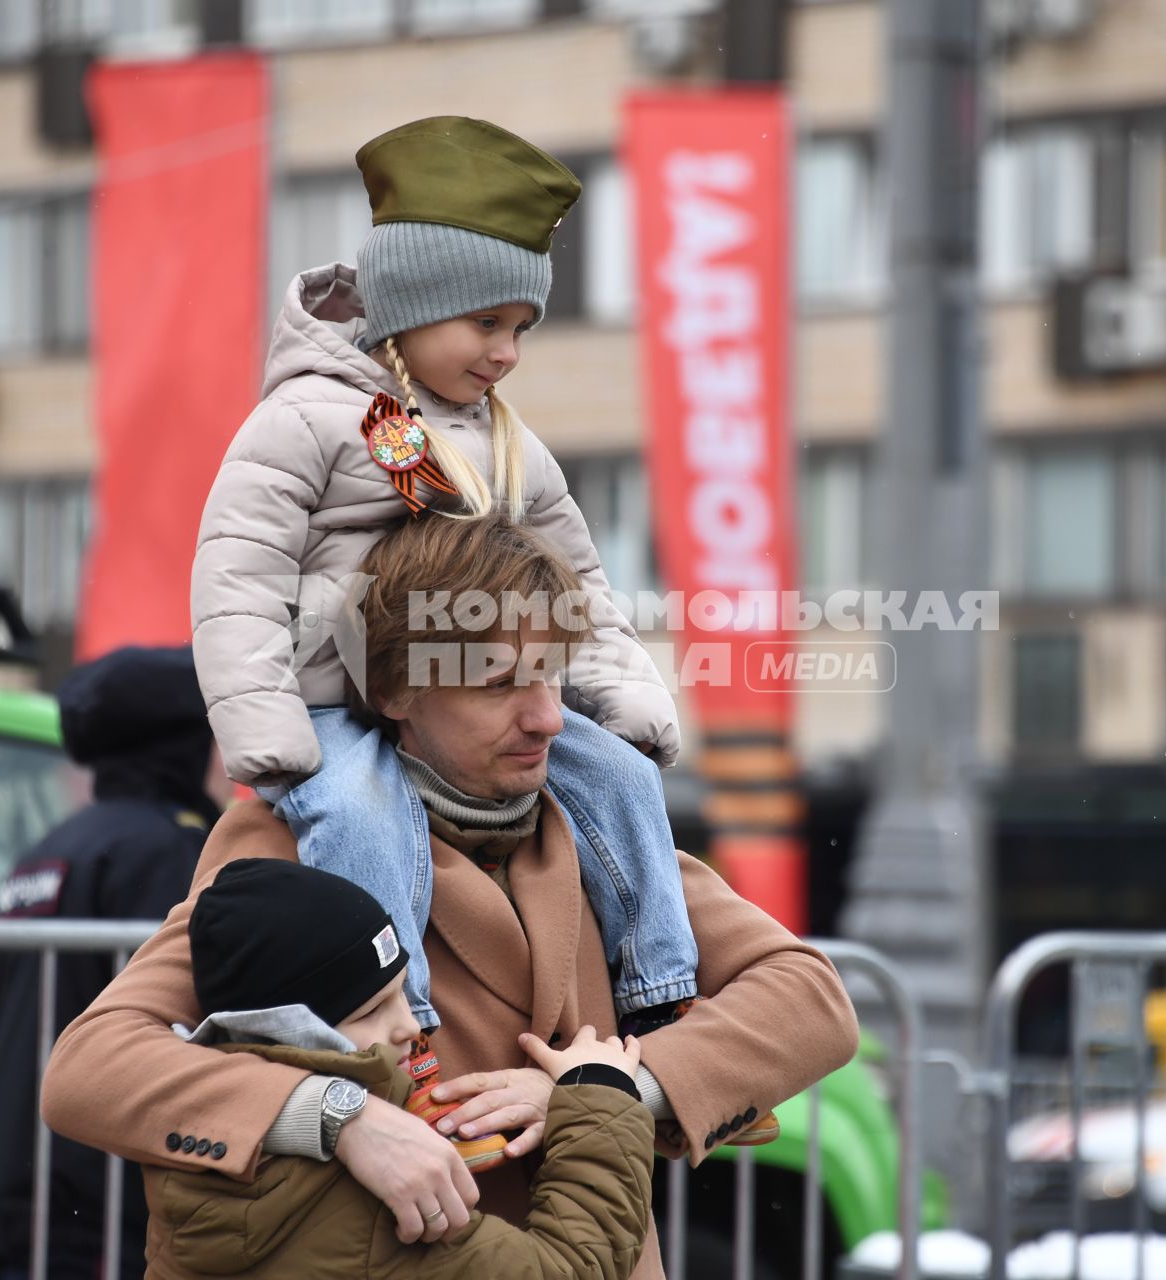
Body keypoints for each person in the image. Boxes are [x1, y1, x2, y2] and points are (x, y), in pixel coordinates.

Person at [45, 514, 860, 1280]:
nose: (547, 718)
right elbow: (91, 1068)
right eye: (500, 682)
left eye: (550, 676)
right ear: (396, 691)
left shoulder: (600, 833)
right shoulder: (294, 842)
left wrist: (608, 1092)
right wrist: (338, 1116)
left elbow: (812, 1000)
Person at [188, 116, 729, 1116]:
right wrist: (264, 723)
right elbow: (237, 577)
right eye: (487, 323)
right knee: (359, 812)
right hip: (333, 707)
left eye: (522, 327)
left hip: (467, 707)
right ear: (408, 307)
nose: (508, 352)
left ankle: (660, 1003)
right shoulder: (308, 417)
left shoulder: (511, 446)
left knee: (618, 775)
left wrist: (622, 691)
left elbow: (581, 586)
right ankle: (406, 1047)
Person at [145, 856, 656, 1278]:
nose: (411, 1028)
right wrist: (600, 1095)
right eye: (370, 1010)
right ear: (291, 1031)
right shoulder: (372, 1199)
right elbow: (570, 1269)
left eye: (403, 996)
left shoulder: (199, 1144)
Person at [0, 645, 226, 1280]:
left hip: (28, 1177)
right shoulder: (168, 850)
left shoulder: (55, 847)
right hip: (104, 1192)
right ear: (182, 743)